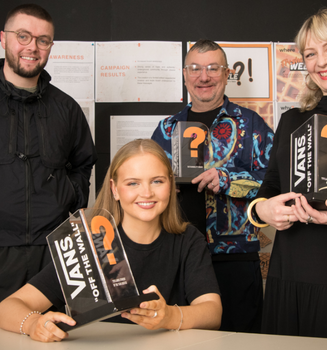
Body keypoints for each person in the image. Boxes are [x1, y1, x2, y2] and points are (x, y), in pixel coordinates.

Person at [0, 139, 222, 342]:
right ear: (115, 189)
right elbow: (7, 307)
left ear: (171, 185)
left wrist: (170, 316)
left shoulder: (188, 240)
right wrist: (31, 323)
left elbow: (212, 312)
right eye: (133, 183)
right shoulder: (87, 244)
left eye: (157, 181)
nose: (146, 193)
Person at [152, 39, 274, 332]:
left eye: (212, 68)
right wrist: (163, 186)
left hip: (236, 258)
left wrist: (228, 180)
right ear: (184, 74)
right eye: (194, 68)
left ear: (227, 73)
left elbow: (275, 185)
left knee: (241, 338)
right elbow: (147, 184)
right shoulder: (166, 128)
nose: (203, 76)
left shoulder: (252, 125)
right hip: (178, 257)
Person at [251, 8, 327, 339]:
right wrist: (262, 210)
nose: (321, 61)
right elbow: (269, 187)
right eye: (311, 53)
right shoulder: (292, 119)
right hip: (288, 274)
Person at [0, 4, 97, 302]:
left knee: (52, 339)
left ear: (51, 46)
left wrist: (66, 196)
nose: (33, 47)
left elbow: (83, 165)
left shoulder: (67, 109)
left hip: (53, 255)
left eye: (43, 40)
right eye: (23, 36)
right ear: (3, 39)